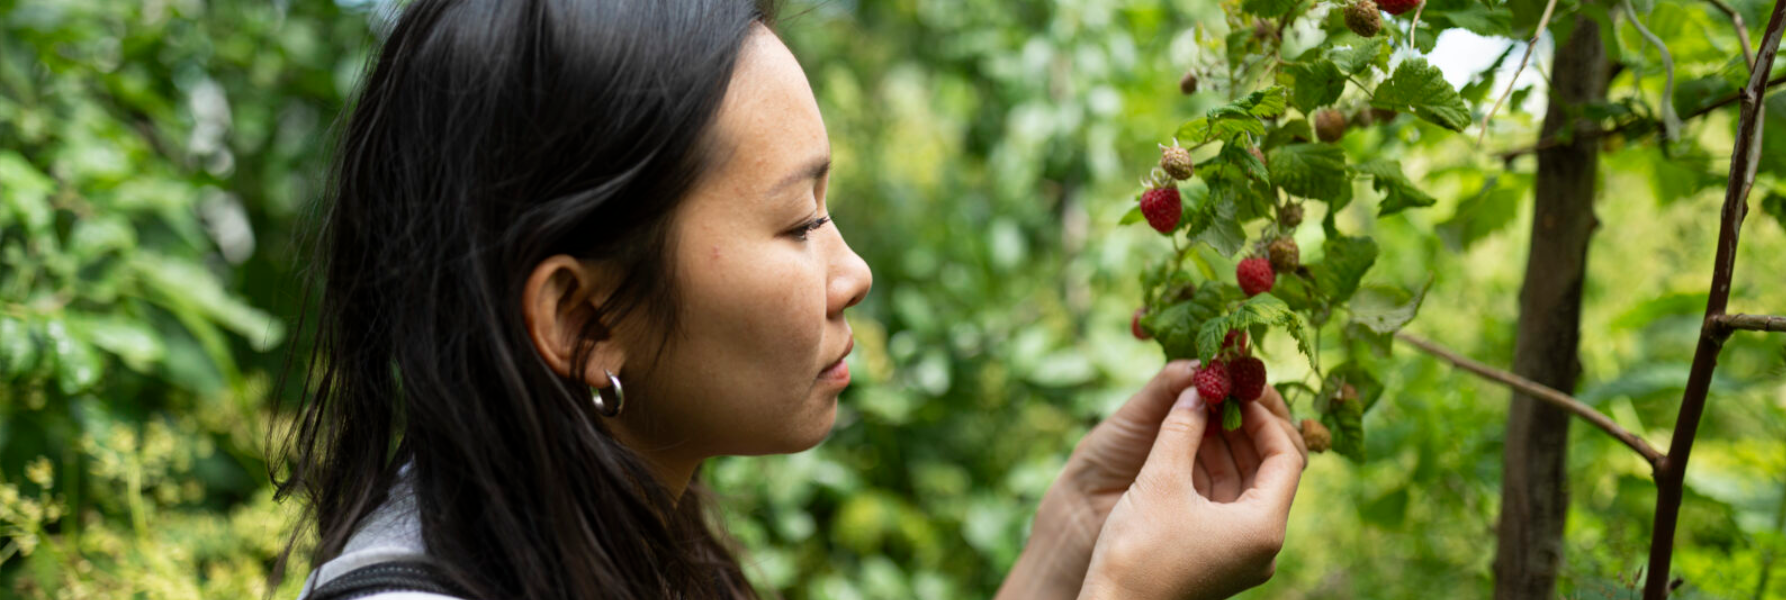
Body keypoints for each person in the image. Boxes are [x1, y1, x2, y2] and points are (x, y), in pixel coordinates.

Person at [269, 1, 1309, 598]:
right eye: (800, 221)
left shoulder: (575, 542)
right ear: (582, 320)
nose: (852, 273)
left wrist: (1068, 544)